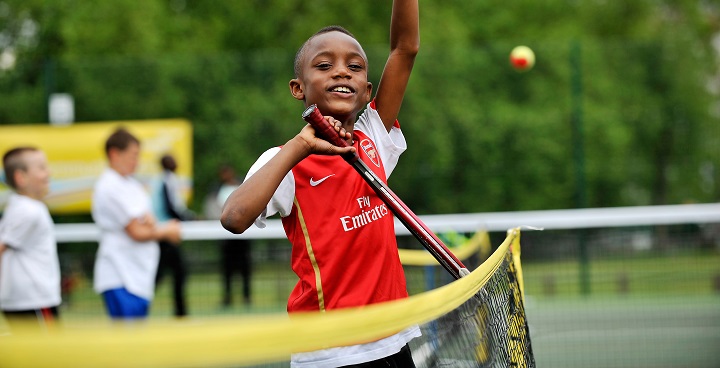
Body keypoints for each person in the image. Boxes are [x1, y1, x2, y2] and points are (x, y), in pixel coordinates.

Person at [221, 1, 419, 366]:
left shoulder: (373, 137)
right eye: (325, 66)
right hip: (331, 353)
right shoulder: (285, 162)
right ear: (298, 88)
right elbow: (233, 217)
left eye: (354, 66)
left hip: (394, 338)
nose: (342, 73)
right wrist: (301, 145)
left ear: (366, 89)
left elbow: (404, 49)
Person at [92, 128, 181, 320]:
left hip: (137, 275)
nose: (136, 161)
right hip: (121, 275)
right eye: (133, 155)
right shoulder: (108, 186)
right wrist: (167, 231)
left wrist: (151, 226)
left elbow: (148, 222)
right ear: (114, 153)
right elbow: (136, 231)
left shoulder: (131, 184)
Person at [0, 147, 61, 331]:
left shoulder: (19, 206)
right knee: (49, 357)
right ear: (21, 178)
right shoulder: (30, 211)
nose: (48, 173)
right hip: (34, 299)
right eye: (42, 168)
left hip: (25, 299)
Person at [152, 154, 195, 317]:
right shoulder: (166, 180)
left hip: (164, 231)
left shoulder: (163, 180)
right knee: (174, 272)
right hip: (165, 232)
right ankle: (180, 312)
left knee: (166, 273)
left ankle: (180, 312)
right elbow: (171, 207)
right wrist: (188, 218)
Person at [216, 164, 252, 307]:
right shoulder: (218, 190)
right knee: (227, 269)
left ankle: (246, 296)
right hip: (226, 237)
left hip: (242, 236)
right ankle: (228, 297)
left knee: (245, 268)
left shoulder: (241, 186)